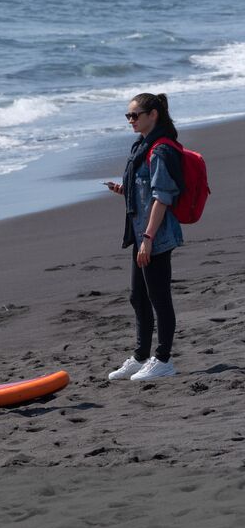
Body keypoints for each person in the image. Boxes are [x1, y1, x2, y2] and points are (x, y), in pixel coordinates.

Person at [104, 93, 183, 381]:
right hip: (142, 234)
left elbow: (162, 197)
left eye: (135, 115)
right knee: (138, 296)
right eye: (128, 116)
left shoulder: (160, 149)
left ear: (153, 115)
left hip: (155, 234)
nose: (131, 120)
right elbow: (145, 190)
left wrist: (148, 237)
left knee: (158, 296)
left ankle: (163, 360)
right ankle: (140, 357)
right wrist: (124, 190)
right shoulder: (142, 146)